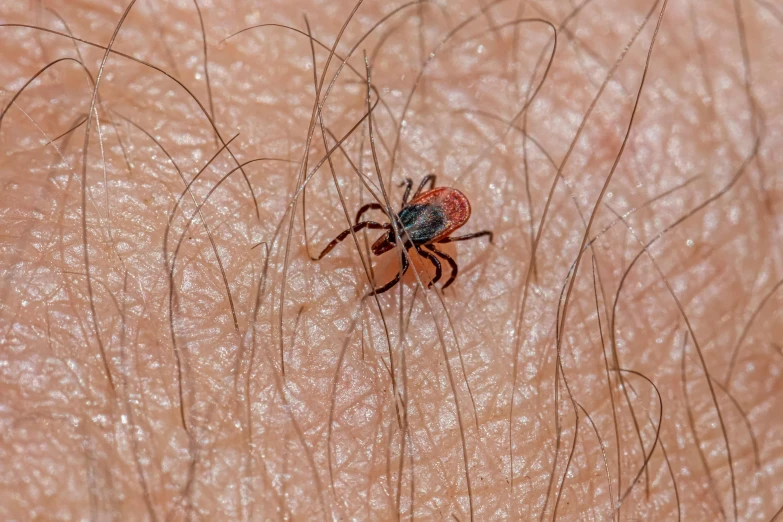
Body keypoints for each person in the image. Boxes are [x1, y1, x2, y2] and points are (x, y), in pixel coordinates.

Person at [0, 0, 780, 519]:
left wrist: (433, 253)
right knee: (392, 230)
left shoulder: (428, 237)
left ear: (426, 233)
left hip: (444, 204)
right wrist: (393, 244)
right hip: (433, 199)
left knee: (425, 250)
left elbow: (434, 255)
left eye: (413, 244)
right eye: (407, 237)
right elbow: (401, 234)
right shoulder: (402, 226)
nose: (400, 243)